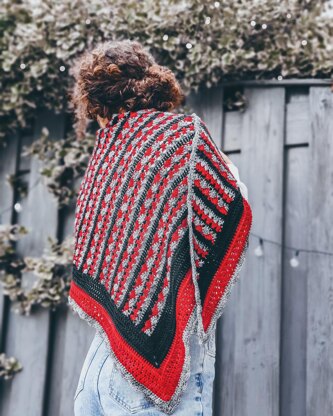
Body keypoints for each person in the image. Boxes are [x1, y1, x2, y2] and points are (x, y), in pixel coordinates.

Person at [69, 39, 250, 416]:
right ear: (150, 80)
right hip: (156, 386)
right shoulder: (182, 137)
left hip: (99, 371)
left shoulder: (106, 155)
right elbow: (234, 206)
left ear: (95, 102)